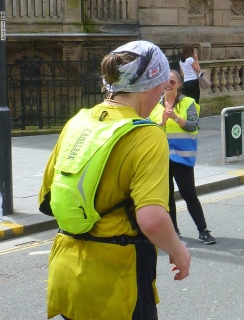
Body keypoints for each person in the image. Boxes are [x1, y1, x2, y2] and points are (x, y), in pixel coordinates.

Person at [38, 41, 191, 319]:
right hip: (117, 281)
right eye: (161, 89)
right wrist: (178, 250)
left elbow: (47, 197)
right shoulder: (147, 135)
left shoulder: (78, 122)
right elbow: (152, 219)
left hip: (67, 274)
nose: (160, 97)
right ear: (150, 86)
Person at [150, 69, 215, 244]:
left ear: (179, 84)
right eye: (166, 81)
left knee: (189, 195)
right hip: (161, 157)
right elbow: (148, 130)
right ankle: (174, 231)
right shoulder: (154, 105)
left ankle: (203, 230)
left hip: (182, 157)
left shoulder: (188, 103)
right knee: (167, 197)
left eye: (172, 82)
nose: (169, 85)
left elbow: (193, 126)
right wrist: (162, 122)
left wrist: (176, 118)